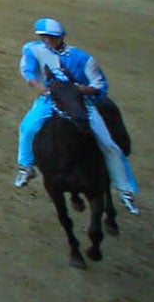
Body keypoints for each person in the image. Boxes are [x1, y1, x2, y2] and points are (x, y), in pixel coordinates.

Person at [12, 17, 137, 214]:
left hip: (80, 103)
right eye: (45, 37)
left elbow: (99, 85)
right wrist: (45, 92)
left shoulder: (82, 58)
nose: (49, 41)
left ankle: (125, 189)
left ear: (61, 37)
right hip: (49, 100)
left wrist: (78, 91)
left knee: (109, 144)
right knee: (27, 128)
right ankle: (26, 167)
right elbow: (29, 74)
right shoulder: (32, 49)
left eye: (53, 37)